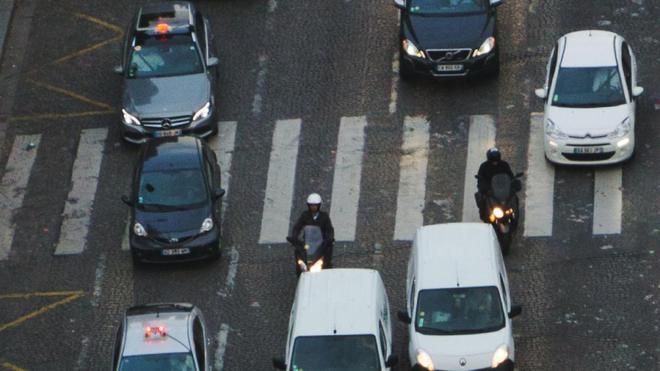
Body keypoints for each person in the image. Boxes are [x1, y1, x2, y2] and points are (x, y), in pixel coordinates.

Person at [289, 193, 335, 268]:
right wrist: (294, 236)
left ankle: (327, 266)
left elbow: (329, 229)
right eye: (311, 205)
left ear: (319, 205)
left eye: (315, 205)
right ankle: (299, 268)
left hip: (321, 243)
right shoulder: (305, 215)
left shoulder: (324, 216)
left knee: (328, 250)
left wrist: (330, 238)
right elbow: (297, 227)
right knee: (299, 251)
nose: (313, 207)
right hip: (308, 242)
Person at [475, 147, 514, 222]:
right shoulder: (484, 166)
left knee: (514, 197)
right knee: (482, 200)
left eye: (496, 160)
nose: (495, 162)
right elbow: (480, 180)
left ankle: (515, 213)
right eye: (493, 160)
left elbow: (510, 176)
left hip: (503, 188)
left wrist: (513, 184)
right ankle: (485, 217)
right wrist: (485, 188)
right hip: (490, 190)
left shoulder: (504, 165)